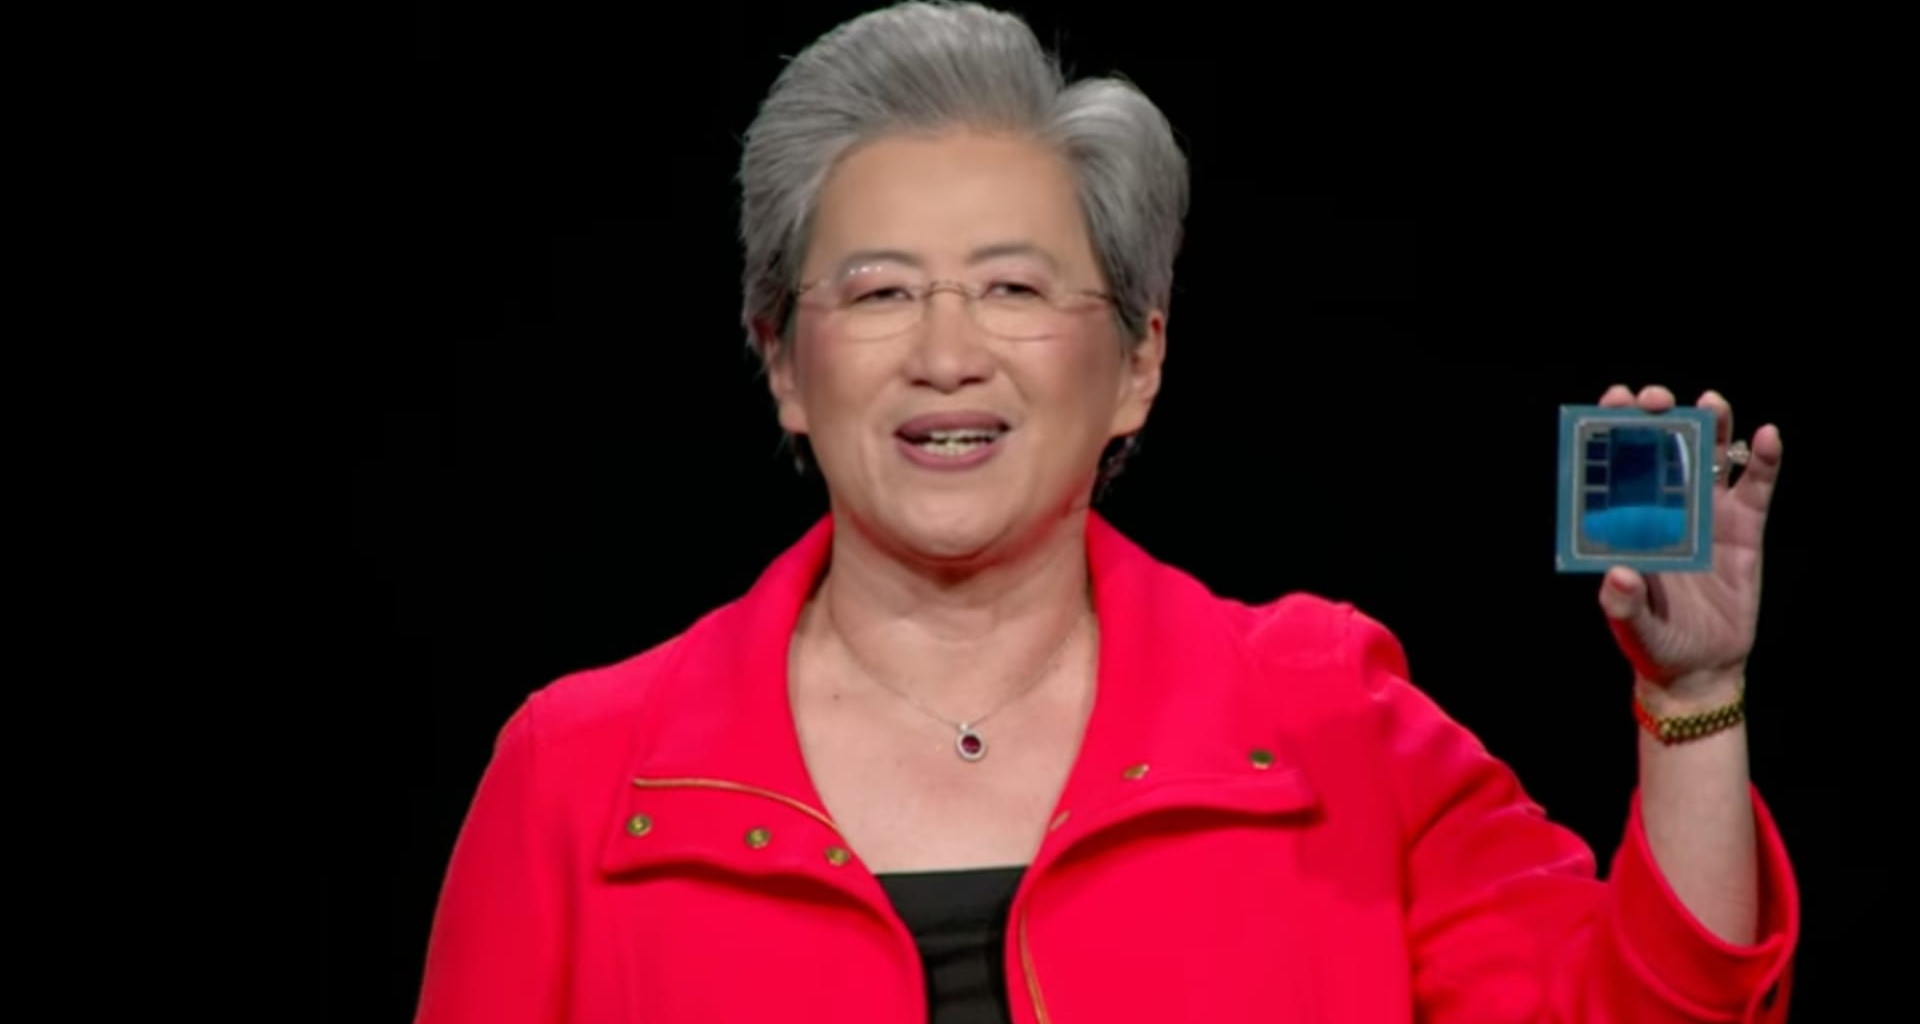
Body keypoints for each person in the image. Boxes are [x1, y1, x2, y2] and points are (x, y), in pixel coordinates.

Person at [411, 2, 1799, 1021]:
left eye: (1013, 288)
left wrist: (1692, 704)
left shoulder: (1330, 720)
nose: (946, 352)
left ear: (1138, 363)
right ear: (783, 363)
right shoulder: (581, 775)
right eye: (880, 291)